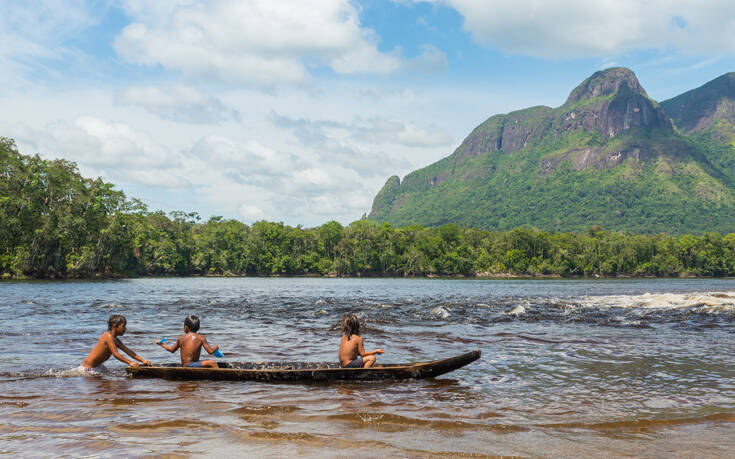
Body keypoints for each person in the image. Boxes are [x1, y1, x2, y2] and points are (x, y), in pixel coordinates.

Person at [80, 314, 150, 375]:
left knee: (107, 380)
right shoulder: (108, 336)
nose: (125, 329)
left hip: (99, 366)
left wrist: (143, 360)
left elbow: (128, 351)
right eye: (123, 326)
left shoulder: (116, 340)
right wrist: (130, 362)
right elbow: (116, 354)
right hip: (88, 368)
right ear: (114, 326)